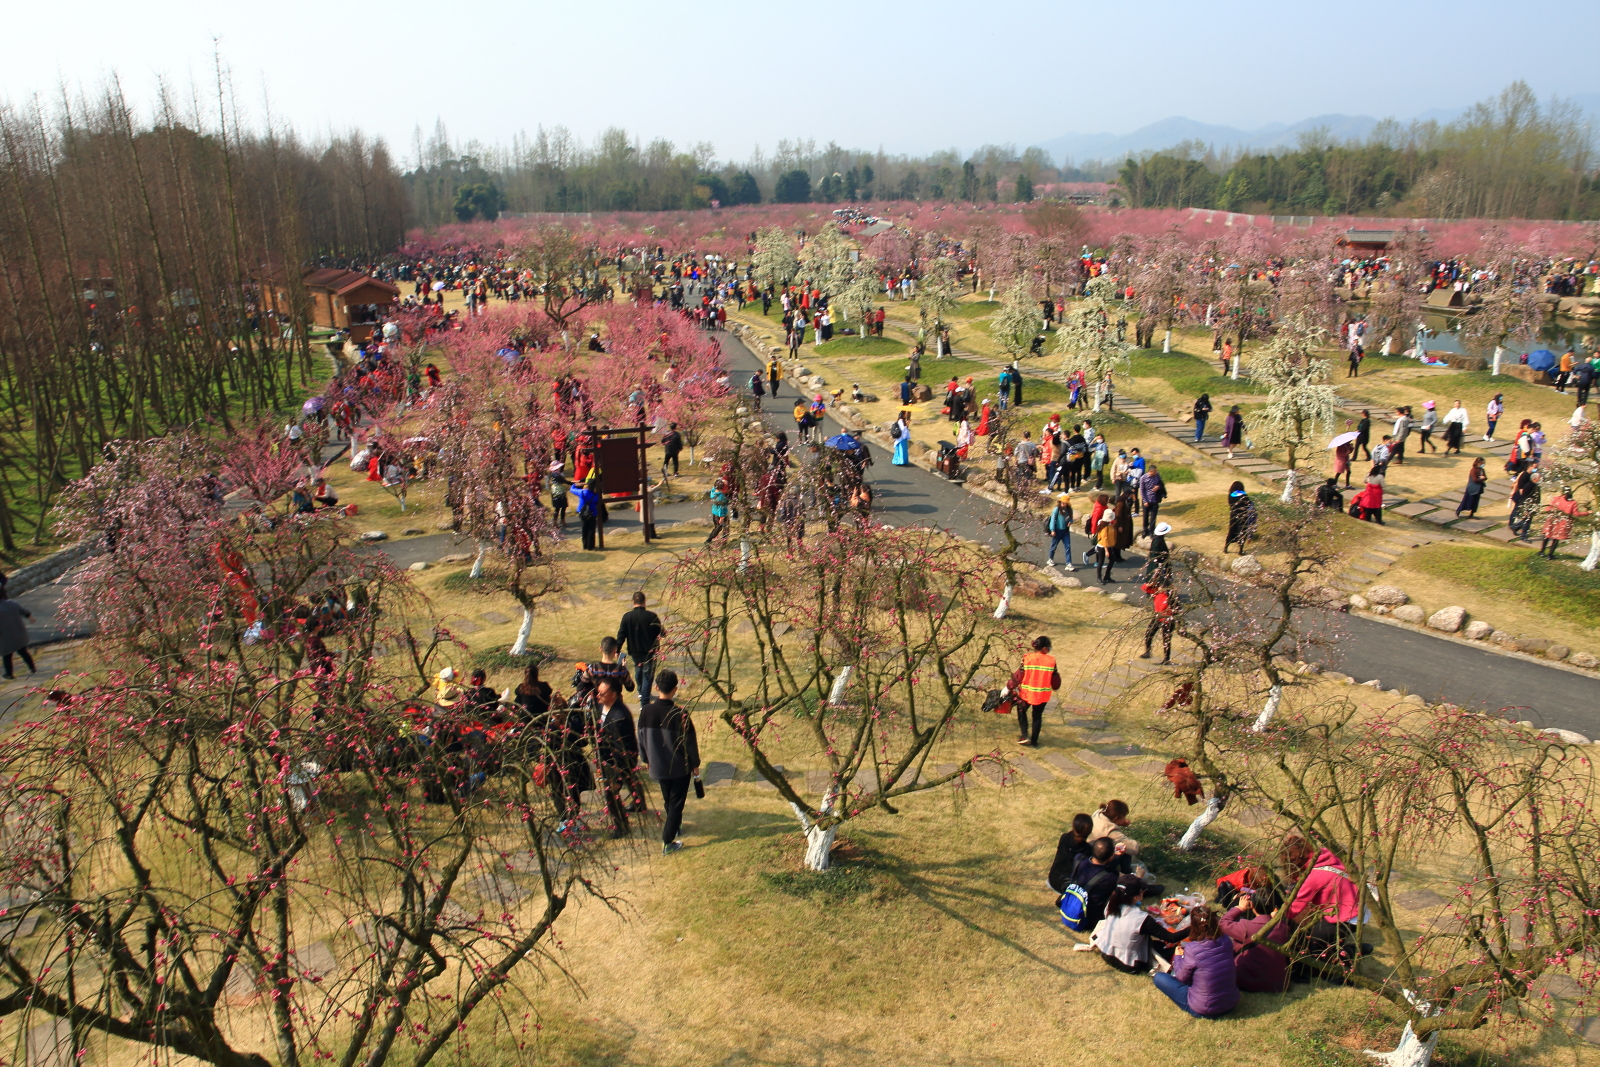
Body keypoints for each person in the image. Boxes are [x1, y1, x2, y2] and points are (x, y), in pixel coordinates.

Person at [637, 669, 699, 855]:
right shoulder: (680, 714)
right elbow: (690, 743)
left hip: (657, 766)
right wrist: (695, 765)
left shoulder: (646, 711)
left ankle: (675, 824)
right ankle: (667, 841)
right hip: (679, 768)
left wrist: (645, 759)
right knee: (675, 804)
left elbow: (640, 738)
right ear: (675, 689)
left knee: (668, 799)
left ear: (656, 687)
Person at [1087, 875, 1187, 973]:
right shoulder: (1141, 918)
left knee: (1158, 944)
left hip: (1105, 953)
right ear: (1136, 897)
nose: (1143, 892)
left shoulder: (1111, 904)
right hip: (1128, 964)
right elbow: (1171, 937)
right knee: (1176, 949)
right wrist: (1191, 928)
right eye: (1142, 891)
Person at [1153, 907, 1240, 1018]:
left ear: (1193, 926)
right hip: (1231, 1002)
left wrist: (1178, 957)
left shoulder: (1193, 949)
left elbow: (1181, 978)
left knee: (1159, 977)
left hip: (1205, 1009)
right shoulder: (1226, 940)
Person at [1219, 872, 1291, 994]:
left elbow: (1223, 923)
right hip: (1277, 983)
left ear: (1251, 905)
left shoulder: (1246, 926)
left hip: (1248, 981)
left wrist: (1239, 908)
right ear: (1274, 907)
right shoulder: (1283, 926)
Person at [593, 679, 645, 837]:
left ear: (614, 695)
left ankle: (621, 825)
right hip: (607, 756)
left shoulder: (619, 717)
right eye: (598, 692)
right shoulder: (601, 706)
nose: (598, 696)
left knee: (611, 793)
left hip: (619, 758)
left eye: (602, 693)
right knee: (631, 779)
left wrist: (614, 771)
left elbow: (619, 748)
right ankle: (639, 804)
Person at [1004, 635, 1060, 747]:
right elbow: (1055, 682)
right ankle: (1034, 742)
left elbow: (1018, 676)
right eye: (1049, 647)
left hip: (1027, 693)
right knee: (1037, 716)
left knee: (1021, 710)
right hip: (1042, 695)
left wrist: (1008, 687)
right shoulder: (1051, 661)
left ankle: (1024, 735)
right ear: (1044, 648)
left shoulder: (1027, 658)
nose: (1050, 649)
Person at [617, 592, 664, 702]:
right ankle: (644, 699)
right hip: (650, 652)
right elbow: (661, 632)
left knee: (638, 668)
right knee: (647, 674)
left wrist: (617, 649)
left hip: (634, 651)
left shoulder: (627, 617)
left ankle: (640, 690)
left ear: (633, 602)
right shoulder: (651, 616)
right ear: (644, 602)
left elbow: (621, 634)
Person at [1047, 813, 1095, 897]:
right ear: (1090, 831)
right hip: (1069, 886)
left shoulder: (1064, 837)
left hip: (1053, 878)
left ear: (1073, 826)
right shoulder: (1088, 850)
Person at [1538, 486, 1589, 559]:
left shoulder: (1556, 499)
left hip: (1552, 520)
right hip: (1562, 522)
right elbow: (1576, 514)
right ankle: (1550, 555)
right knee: (1555, 539)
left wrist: (1552, 512)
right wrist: (1587, 512)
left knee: (1547, 536)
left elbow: (1548, 509)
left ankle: (1542, 552)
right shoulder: (1573, 502)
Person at [1138, 578, 1176, 664]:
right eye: (1158, 585)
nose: (1159, 587)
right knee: (1149, 633)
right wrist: (1150, 584)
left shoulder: (1170, 596)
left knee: (1166, 639)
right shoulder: (1157, 593)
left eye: (1161, 586)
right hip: (1157, 617)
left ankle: (1167, 659)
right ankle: (1147, 652)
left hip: (1167, 619)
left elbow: (1176, 608)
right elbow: (1144, 588)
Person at [0, 593, 35, 679]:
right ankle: (32, 668)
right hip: (19, 634)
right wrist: (31, 618)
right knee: (23, 652)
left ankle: (9, 674)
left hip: (5, 637)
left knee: (7, 656)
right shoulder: (12, 603)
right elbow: (25, 611)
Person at [1508, 467, 1541, 541]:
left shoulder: (1536, 485)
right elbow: (1524, 497)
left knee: (1527, 520)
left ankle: (1515, 527)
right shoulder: (1528, 486)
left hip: (1532, 505)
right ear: (1534, 479)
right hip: (1528, 505)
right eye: (1539, 478)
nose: (1540, 479)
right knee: (1527, 521)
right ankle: (1523, 536)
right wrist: (1525, 509)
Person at [1223, 482, 1256, 554]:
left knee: (1231, 532)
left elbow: (1230, 504)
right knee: (1242, 532)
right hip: (1242, 516)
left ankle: (1225, 548)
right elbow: (1248, 504)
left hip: (1233, 516)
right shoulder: (1244, 495)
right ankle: (1240, 551)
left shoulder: (1230, 495)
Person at [1045, 493, 1075, 569]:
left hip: (1065, 531)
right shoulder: (1057, 509)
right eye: (1062, 502)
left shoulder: (1069, 510)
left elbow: (1071, 518)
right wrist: (1052, 530)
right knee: (1053, 546)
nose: (1063, 504)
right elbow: (1052, 520)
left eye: (1064, 503)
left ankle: (1069, 563)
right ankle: (1050, 558)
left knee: (1067, 546)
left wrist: (1070, 521)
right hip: (1057, 530)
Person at [1138, 464, 1166, 538]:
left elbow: (1161, 483)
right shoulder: (1143, 478)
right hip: (1146, 500)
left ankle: (1151, 532)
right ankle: (1145, 531)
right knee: (1145, 517)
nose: (1156, 472)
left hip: (1154, 500)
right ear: (1150, 471)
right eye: (1155, 471)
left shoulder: (1157, 475)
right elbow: (1142, 490)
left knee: (1153, 517)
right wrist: (1145, 501)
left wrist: (1158, 487)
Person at [573, 479, 601, 550]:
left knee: (584, 528)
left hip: (583, 513)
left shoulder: (582, 492)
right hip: (592, 513)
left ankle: (585, 546)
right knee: (591, 529)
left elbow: (572, 489)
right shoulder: (596, 495)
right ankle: (590, 546)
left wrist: (577, 484)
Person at [1094, 502, 1119, 583]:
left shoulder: (1109, 525)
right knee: (1101, 561)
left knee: (1112, 560)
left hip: (1108, 546)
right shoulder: (1104, 527)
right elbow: (1104, 538)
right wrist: (1106, 550)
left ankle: (1107, 576)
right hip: (1102, 546)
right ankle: (1098, 578)